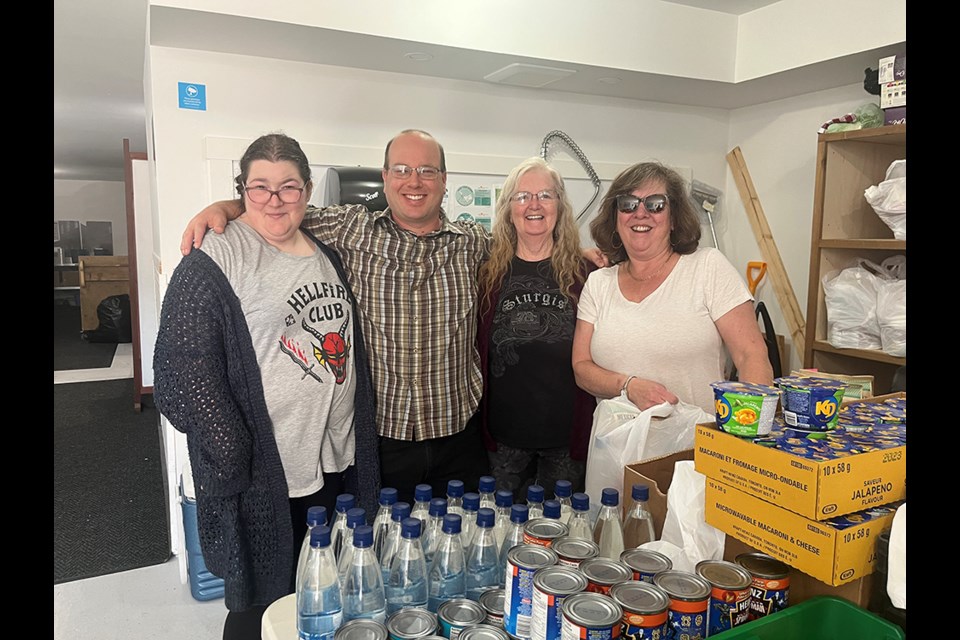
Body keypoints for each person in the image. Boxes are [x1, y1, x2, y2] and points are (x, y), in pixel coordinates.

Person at [180, 130, 492, 504]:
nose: (414, 181)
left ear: (444, 180)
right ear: (384, 176)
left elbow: (530, 248)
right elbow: (279, 208)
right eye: (402, 169)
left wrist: (582, 261)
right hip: (380, 441)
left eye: (427, 170)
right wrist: (224, 208)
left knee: (465, 549)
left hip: (458, 436)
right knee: (384, 551)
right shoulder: (351, 228)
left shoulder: (475, 242)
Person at [154, 133, 380, 640]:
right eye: (259, 188)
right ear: (242, 190)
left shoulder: (326, 253)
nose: (274, 201)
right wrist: (232, 448)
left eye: (288, 187)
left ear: (306, 190)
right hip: (268, 469)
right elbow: (179, 371)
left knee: (321, 591)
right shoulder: (218, 256)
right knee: (262, 603)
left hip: (333, 459)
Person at [571, 161, 773, 415]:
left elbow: (750, 355)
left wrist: (748, 429)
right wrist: (628, 386)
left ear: (674, 218)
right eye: (628, 204)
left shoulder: (707, 268)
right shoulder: (599, 284)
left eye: (655, 204)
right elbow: (581, 367)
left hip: (694, 447)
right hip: (616, 450)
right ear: (615, 217)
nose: (640, 213)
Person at [476, 157, 596, 501]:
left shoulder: (585, 272)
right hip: (502, 441)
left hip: (566, 439)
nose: (534, 204)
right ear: (508, 207)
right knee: (501, 534)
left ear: (559, 204)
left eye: (545, 194)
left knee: (559, 539)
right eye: (522, 196)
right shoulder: (486, 272)